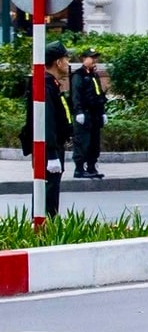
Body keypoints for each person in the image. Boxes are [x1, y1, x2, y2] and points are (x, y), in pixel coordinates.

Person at [17, 42, 74, 216]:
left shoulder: (51, 84)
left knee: (49, 191)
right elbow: (45, 120)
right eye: (66, 58)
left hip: (53, 146)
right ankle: (43, 233)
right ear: (58, 62)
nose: (68, 62)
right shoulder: (44, 85)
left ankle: (46, 228)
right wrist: (51, 154)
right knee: (47, 194)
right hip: (49, 149)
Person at [70, 48, 108, 180]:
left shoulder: (94, 75)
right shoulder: (78, 75)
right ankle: (79, 168)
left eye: (95, 58)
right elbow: (76, 95)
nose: (94, 60)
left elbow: (99, 95)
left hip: (95, 113)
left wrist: (102, 112)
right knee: (82, 142)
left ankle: (91, 167)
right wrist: (78, 111)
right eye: (91, 58)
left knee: (94, 142)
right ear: (83, 59)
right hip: (84, 113)